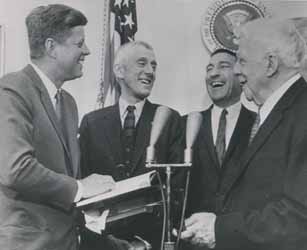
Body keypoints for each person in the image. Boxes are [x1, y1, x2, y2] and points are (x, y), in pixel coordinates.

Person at [179, 18, 307, 250]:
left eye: (242, 60)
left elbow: (300, 217)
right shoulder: (280, 112)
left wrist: (219, 229)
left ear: (270, 64)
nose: (236, 71)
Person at [0, 4, 115, 250]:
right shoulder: (12, 89)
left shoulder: (68, 103)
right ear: (52, 47)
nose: (87, 50)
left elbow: (62, 178)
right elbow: (16, 169)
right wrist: (81, 188)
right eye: (79, 43)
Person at [79, 41, 183, 250]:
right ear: (119, 71)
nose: (150, 72)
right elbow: (83, 183)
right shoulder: (92, 122)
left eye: (154, 66)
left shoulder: (169, 119)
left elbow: (177, 187)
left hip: (152, 241)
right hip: (102, 243)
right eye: (142, 64)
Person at [180, 48, 255, 249]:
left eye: (224, 66)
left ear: (240, 75)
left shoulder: (260, 125)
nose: (213, 73)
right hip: (192, 242)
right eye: (209, 68)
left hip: (241, 241)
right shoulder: (184, 125)